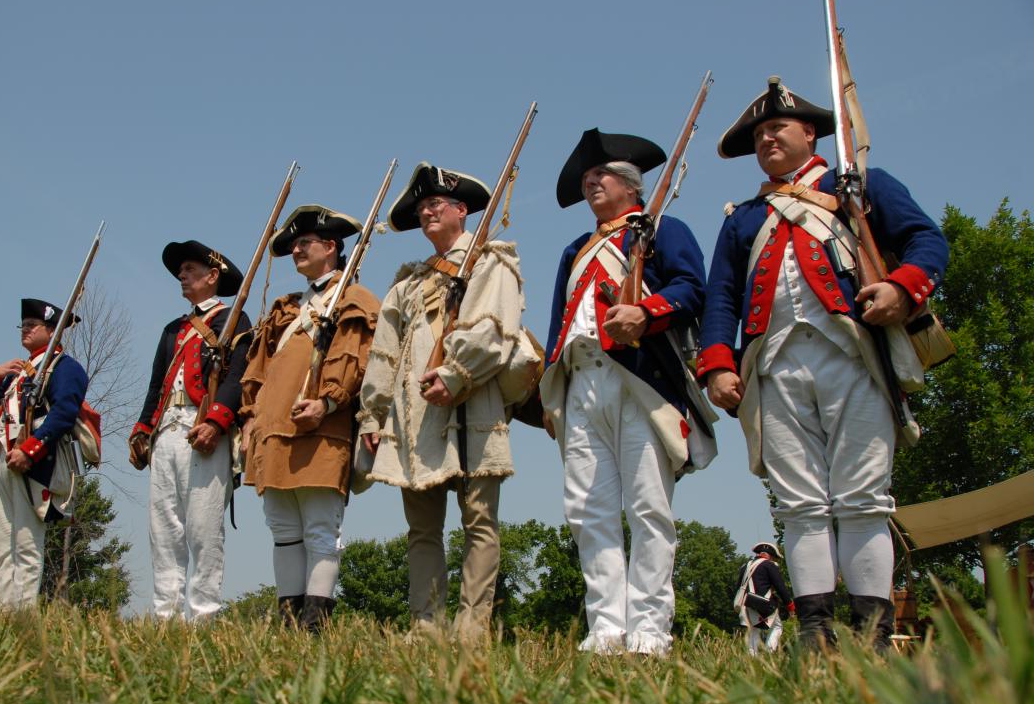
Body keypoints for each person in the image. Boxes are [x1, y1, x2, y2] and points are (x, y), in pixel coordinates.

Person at [697, 77, 949, 650]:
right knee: (799, 503)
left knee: (863, 498)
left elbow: (926, 242)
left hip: (853, 355)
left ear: (809, 132)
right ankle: (814, 633)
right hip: (774, 365)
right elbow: (722, 298)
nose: (767, 141)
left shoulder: (857, 187)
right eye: (759, 135)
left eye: (776, 129)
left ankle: (872, 635)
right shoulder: (743, 219)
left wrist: (903, 289)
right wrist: (718, 364)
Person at [539, 129, 713, 655]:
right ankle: (606, 628)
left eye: (602, 175)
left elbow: (691, 288)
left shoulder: (662, 230)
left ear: (631, 185)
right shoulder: (576, 248)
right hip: (582, 383)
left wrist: (646, 311)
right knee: (588, 511)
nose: (591, 183)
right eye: (588, 178)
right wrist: (553, 395)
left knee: (647, 508)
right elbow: (556, 327)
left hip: (639, 380)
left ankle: (650, 630)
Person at [358, 162, 532, 641]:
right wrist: (372, 415)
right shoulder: (405, 284)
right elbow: (384, 356)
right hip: (416, 418)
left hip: (473, 404)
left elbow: (495, 330)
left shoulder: (490, 261)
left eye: (437, 204)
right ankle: (427, 626)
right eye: (421, 208)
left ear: (462, 210)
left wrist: (457, 375)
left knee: (479, 520)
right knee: (423, 528)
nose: (427, 212)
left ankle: (472, 628)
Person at [240, 205, 380, 631]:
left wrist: (328, 402)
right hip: (273, 432)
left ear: (332, 247)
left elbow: (358, 361)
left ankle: (315, 626)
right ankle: (289, 625)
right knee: (283, 530)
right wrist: (250, 422)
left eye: (305, 243)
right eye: (294, 244)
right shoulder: (286, 309)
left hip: (323, 428)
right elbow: (259, 371)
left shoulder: (354, 300)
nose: (297, 250)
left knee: (321, 529)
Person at [128, 240, 251, 620]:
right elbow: (156, 386)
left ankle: (203, 615)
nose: (182, 275)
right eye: (181, 271)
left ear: (213, 276)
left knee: (203, 528)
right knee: (164, 528)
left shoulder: (234, 320)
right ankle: (165, 613)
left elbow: (238, 377)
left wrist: (216, 421)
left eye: (191, 270)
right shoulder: (172, 329)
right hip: (167, 433)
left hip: (204, 432)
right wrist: (143, 429)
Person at [0, 301, 88, 609]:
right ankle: (4, 608)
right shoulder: (15, 374)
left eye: (32, 325)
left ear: (52, 331)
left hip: (32, 462)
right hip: (2, 457)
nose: (25, 329)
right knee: (2, 542)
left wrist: (31, 450)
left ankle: (22, 613)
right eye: (23, 325)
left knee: (25, 541)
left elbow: (64, 413)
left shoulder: (65, 368)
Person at [735, 541, 794, 655]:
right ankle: (769, 654)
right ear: (769, 555)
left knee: (753, 631)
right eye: (774, 558)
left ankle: (752, 660)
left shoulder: (745, 566)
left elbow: (738, 586)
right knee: (777, 627)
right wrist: (790, 606)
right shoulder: (769, 565)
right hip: (763, 604)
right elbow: (780, 587)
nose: (774, 560)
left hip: (745, 603)